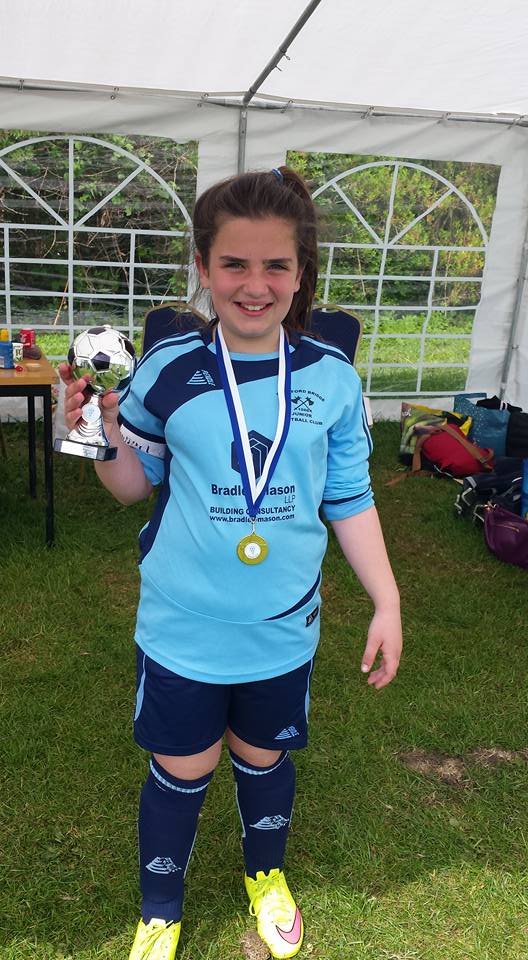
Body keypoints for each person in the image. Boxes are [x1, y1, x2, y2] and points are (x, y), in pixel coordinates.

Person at [60, 166, 402, 960]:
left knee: (264, 755)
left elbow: (349, 498)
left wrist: (385, 600)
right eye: (234, 265)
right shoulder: (166, 369)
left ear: (301, 272)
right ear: (204, 269)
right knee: (183, 764)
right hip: (184, 625)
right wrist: (94, 429)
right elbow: (128, 487)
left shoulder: (333, 380)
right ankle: (160, 906)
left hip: (283, 625)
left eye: (275, 265)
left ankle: (265, 877)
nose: (255, 285)